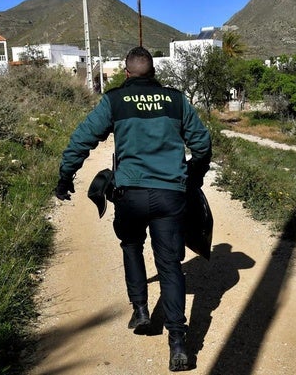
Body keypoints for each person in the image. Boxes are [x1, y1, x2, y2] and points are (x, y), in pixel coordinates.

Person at [55, 46, 212, 371]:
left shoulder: (114, 100)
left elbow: (82, 139)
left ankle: (141, 310)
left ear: (126, 73)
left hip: (130, 194)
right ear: (153, 72)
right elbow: (202, 144)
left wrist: (65, 176)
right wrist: (192, 178)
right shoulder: (176, 99)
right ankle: (179, 344)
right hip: (170, 195)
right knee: (170, 266)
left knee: (131, 245)